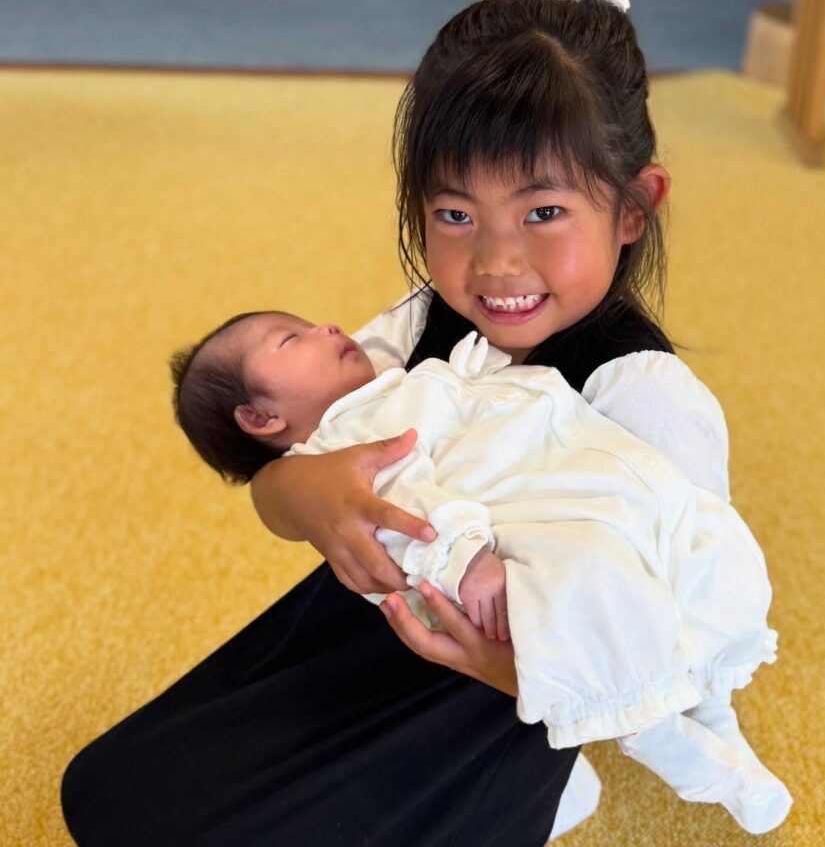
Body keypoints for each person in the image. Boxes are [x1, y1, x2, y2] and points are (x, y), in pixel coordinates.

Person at [61, 0, 781, 845]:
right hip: (365, 629)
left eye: (543, 213)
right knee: (109, 796)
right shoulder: (422, 321)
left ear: (634, 208)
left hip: (490, 703)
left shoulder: (647, 395)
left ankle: (551, 789)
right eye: (455, 216)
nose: (496, 263)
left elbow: (684, 621)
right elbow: (284, 471)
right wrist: (307, 494)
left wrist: (513, 671)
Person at [168, 309, 791, 834]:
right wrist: (467, 563)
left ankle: (708, 702)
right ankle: (654, 729)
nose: (326, 326)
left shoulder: (384, 380)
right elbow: (405, 511)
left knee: (716, 551)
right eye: (291, 338)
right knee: (597, 593)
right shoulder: (348, 437)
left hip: (597, 487)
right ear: (260, 419)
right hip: (512, 543)